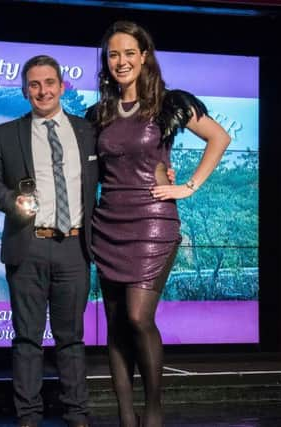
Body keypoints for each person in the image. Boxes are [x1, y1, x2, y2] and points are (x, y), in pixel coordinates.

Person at [89, 21, 231, 427]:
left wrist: (188, 186)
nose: (122, 61)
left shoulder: (170, 103)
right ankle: (125, 416)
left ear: (144, 56)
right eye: (114, 54)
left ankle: (153, 413)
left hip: (153, 220)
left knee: (137, 317)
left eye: (129, 53)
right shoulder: (97, 113)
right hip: (109, 222)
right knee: (116, 325)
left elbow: (219, 138)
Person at [0, 55, 99, 427]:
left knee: (71, 339)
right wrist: (11, 203)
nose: (42, 90)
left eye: (49, 82)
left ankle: (77, 414)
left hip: (74, 247)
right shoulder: (5, 134)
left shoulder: (87, 131)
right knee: (27, 339)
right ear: (25, 91)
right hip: (28, 244)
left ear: (62, 86)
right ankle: (29, 417)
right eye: (34, 84)